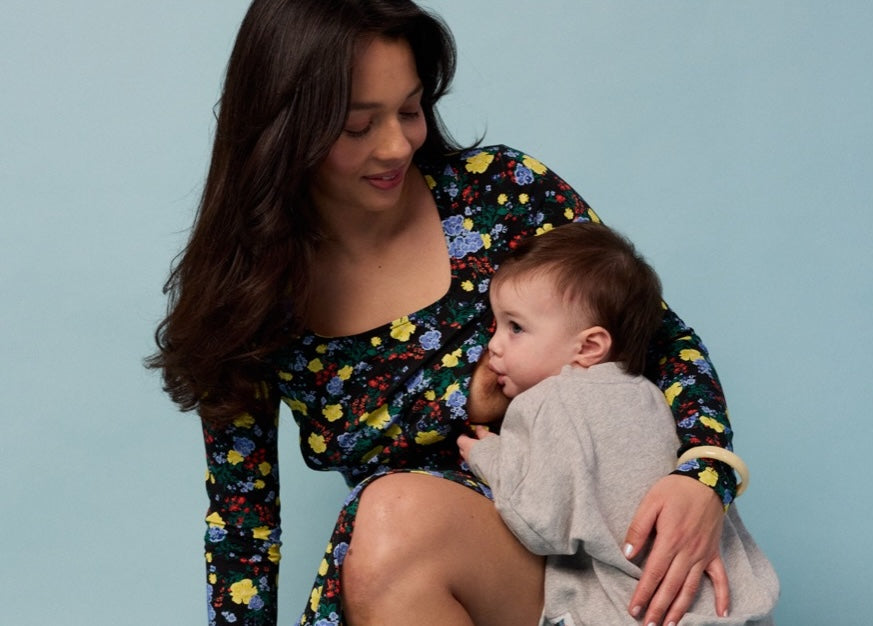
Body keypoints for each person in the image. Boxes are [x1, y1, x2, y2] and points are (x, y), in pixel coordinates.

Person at [148, 1, 741, 625]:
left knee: (389, 519)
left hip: (607, 563)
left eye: (410, 111)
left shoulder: (502, 193)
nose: (396, 145)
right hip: (432, 577)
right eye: (358, 126)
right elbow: (242, 522)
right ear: (284, 130)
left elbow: (661, 339)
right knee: (389, 521)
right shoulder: (247, 296)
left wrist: (707, 472)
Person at [457, 222, 779, 625]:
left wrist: (488, 455)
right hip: (731, 607)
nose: (494, 344)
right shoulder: (651, 395)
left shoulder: (547, 401)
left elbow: (539, 525)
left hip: (635, 613)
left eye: (515, 327)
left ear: (589, 346)